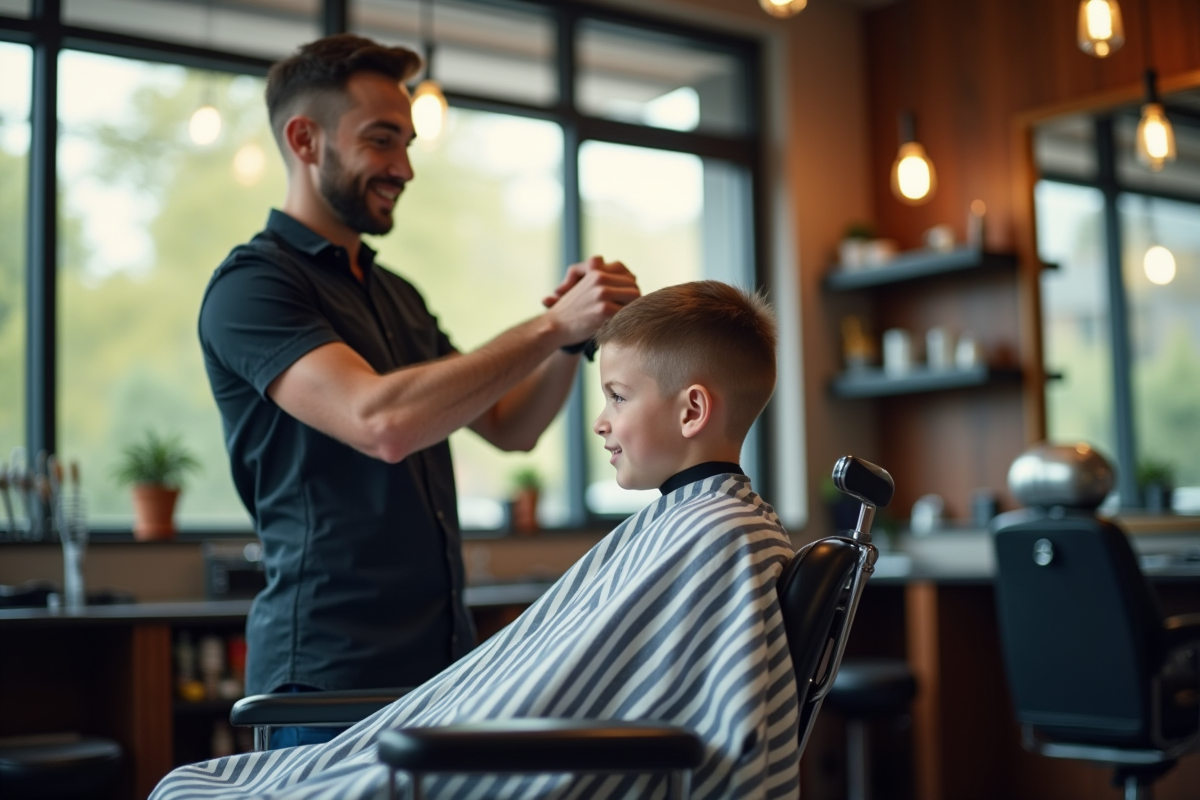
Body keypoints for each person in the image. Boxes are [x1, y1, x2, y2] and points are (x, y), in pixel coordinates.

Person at [154, 281, 799, 800]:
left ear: (691, 411)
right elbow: (381, 419)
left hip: (444, 750)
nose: (600, 421)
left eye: (618, 396)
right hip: (327, 655)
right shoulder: (257, 287)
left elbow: (710, 731)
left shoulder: (716, 536)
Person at [197, 33, 640, 747]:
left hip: (438, 668)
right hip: (327, 681)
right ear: (305, 140)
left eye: (407, 144)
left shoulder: (396, 294)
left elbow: (509, 425)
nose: (403, 167)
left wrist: (568, 341)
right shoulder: (253, 287)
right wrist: (549, 323)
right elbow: (382, 423)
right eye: (381, 141)